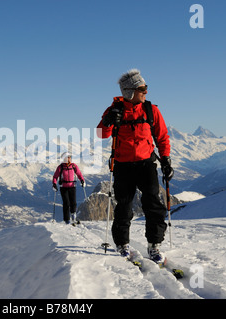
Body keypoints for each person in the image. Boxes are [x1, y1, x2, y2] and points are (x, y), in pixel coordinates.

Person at [96, 69, 174, 264]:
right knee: (124, 206)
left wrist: (165, 160)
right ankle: (122, 244)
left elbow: (162, 136)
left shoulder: (151, 110)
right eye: (142, 88)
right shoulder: (114, 110)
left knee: (153, 205)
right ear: (129, 91)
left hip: (146, 164)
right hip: (122, 165)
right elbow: (101, 134)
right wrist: (107, 121)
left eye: (145, 88)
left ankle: (154, 245)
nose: (146, 92)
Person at [52, 154, 85, 224]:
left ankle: (73, 217)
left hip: (72, 186)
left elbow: (79, 174)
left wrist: (82, 180)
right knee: (66, 203)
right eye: (68, 157)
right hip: (63, 187)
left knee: (73, 202)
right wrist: (54, 184)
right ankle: (67, 219)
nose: (69, 159)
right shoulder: (60, 167)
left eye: (70, 157)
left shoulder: (73, 166)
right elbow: (55, 176)